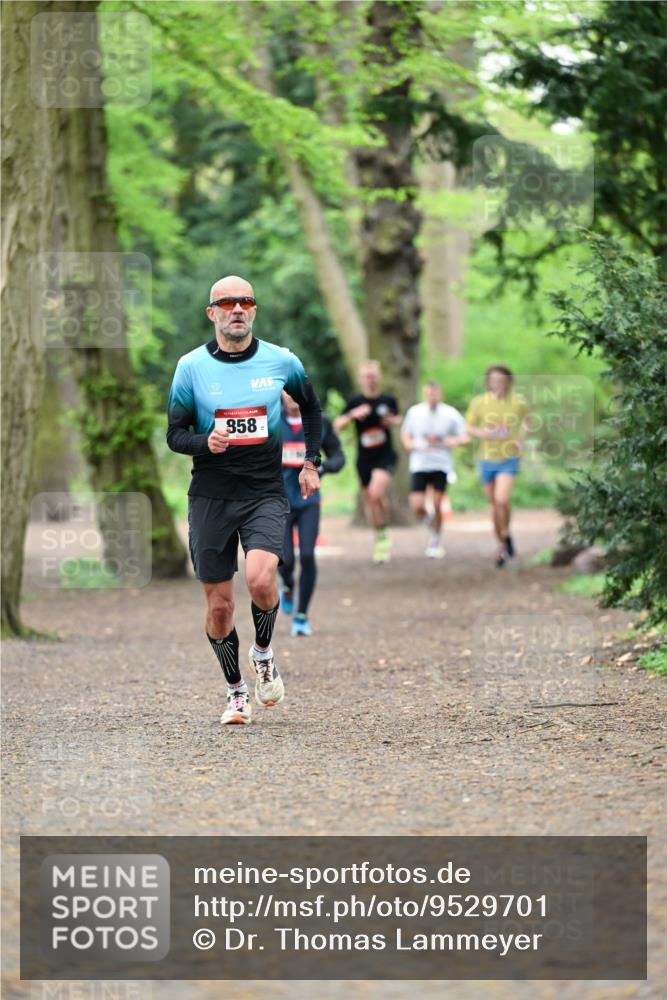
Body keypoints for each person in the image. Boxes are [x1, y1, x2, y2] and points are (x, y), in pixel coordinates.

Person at [166, 275, 322, 726]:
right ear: (211, 313)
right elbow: (175, 434)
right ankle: (236, 691)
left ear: (254, 310)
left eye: (246, 301)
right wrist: (205, 442)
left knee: (260, 579)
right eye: (227, 302)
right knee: (219, 607)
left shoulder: (282, 360)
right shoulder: (191, 367)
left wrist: (310, 462)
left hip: (263, 491)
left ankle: (264, 653)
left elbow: (311, 408)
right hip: (211, 495)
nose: (237, 309)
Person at [279, 392, 345, 636]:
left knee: (307, 555)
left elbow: (339, 457)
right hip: (280, 502)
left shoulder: (319, 421)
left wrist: (322, 467)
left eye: (296, 390)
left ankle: (302, 615)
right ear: (281, 394)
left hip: (309, 501)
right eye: (287, 391)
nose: (292, 396)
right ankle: (287, 585)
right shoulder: (271, 420)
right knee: (284, 559)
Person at [334, 361, 401, 563]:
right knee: (371, 500)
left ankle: (383, 534)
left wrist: (392, 421)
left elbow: (399, 418)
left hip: (385, 455)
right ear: (361, 379)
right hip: (364, 458)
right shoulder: (355, 401)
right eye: (366, 376)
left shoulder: (387, 399)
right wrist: (352, 415)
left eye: (373, 375)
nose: (370, 379)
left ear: (379, 377)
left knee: (375, 492)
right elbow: (338, 425)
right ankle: (381, 536)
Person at [465, 364, 529, 567]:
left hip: (509, 457)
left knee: (502, 499)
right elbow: (468, 427)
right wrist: (483, 433)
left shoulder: (518, 402)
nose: (498, 384)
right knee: (494, 505)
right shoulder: (479, 402)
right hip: (486, 458)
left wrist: (521, 440)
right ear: (488, 382)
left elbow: (528, 422)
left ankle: (506, 533)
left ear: (509, 381)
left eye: (501, 380)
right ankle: (502, 544)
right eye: (494, 380)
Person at [400, 381, 468, 558]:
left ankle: (435, 540)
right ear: (425, 394)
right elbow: (405, 435)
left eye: (435, 393)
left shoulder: (450, 413)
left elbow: (465, 435)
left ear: (440, 394)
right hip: (420, 464)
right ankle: (431, 524)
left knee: (437, 503)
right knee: (417, 505)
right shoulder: (415, 412)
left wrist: (455, 441)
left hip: (441, 464)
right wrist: (409, 444)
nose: (432, 397)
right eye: (429, 393)